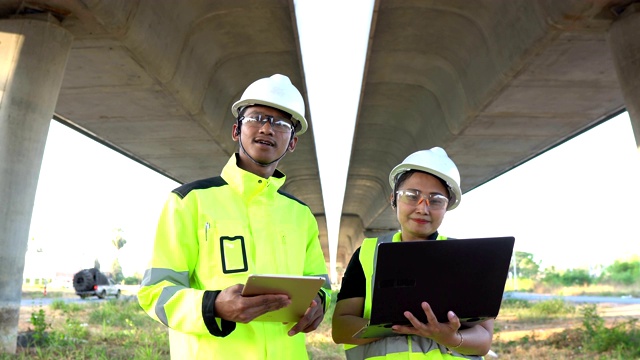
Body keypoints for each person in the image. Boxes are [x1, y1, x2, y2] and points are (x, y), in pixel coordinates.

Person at [137, 74, 332, 359]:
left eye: (281, 123)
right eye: (256, 117)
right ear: (236, 130)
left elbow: (320, 284)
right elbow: (155, 292)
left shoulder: (301, 216)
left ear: (292, 143)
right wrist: (213, 305)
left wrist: (318, 304)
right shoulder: (189, 202)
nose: (267, 127)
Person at [332, 147, 494, 359]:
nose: (422, 208)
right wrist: (400, 324)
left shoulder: (466, 258)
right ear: (394, 199)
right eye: (411, 195)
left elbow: (484, 340)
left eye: (435, 200)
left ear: (447, 207)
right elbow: (341, 328)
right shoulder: (367, 255)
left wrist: (451, 338)